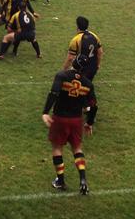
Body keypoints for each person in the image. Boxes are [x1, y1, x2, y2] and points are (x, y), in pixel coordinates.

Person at [42, 55, 98, 194]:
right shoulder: (88, 84)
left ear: (73, 62)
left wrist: (45, 112)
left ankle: (60, 181)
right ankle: (83, 181)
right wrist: (89, 122)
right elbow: (93, 106)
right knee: (77, 149)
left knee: (57, 148)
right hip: (76, 120)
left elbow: (54, 93)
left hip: (60, 118)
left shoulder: (62, 75)